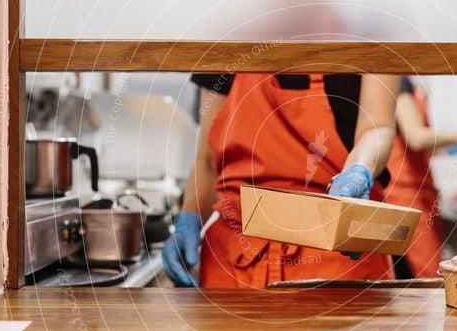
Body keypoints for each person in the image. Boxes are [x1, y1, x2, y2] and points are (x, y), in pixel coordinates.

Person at [162, 73, 401, 288]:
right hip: (234, 263)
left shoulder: (368, 33)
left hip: (337, 263)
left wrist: (359, 170)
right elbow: (207, 158)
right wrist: (190, 214)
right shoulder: (228, 40)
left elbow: (377, 128)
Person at [385, 77, 457, 278]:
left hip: (418, 191)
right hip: (405, 194)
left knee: (413, 276)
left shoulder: (414, 87)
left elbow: (414, 146)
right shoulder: (398, 81)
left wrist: (449, 150)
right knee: (428, 277)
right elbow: (416, 137)